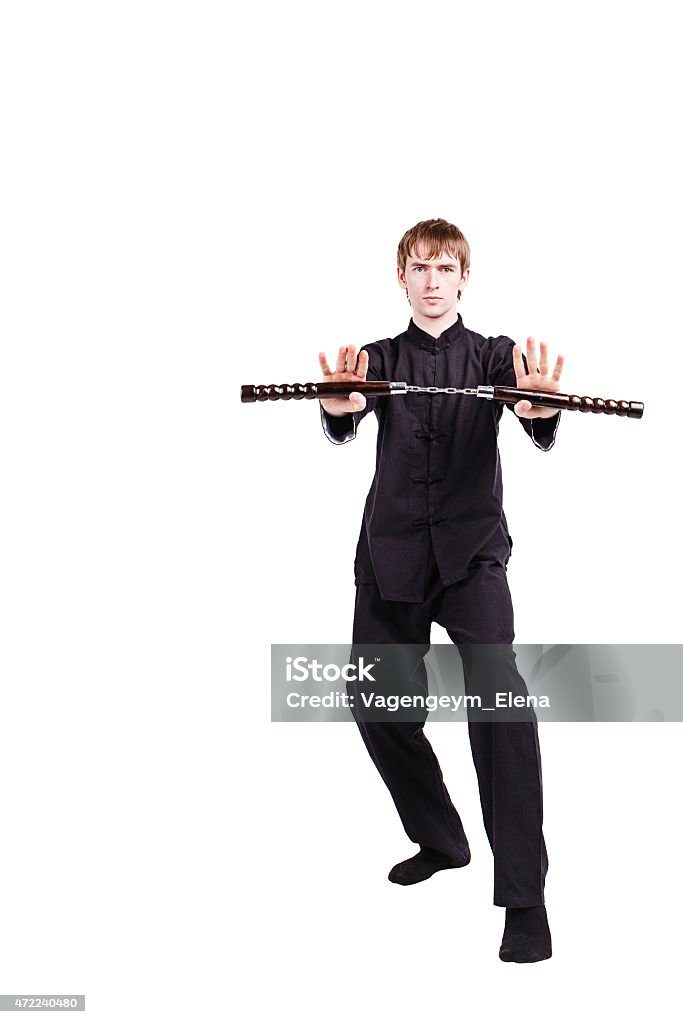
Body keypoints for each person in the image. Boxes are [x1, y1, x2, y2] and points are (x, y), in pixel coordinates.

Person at [317, 218, 564, 963]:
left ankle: (524, 897)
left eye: (444, 268)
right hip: (389, 556)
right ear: (401, 277)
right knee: (376, 704)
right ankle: (440, 837)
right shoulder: (378, 358)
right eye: (418, 267)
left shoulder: (495, 356)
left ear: (463, 279)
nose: (431, 280)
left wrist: (540, 410)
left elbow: (535, 419)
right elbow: (345, 415)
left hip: (471, 559)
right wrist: (337, 414)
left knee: (500, 709)